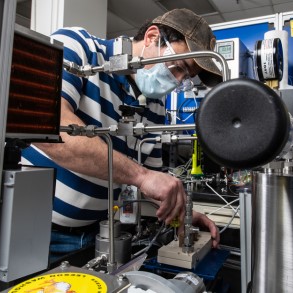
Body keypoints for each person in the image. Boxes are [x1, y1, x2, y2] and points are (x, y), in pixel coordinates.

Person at [22, 8, 222, 262]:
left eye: (185, 78)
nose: (177, 81)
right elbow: (45, 123)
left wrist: (182, 212)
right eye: (179, 67)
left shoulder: (155, 106)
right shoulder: (80, 48)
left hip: (97, 235)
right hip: (36, 230)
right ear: (151, 37)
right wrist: (140, 175)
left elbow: (150, 186)